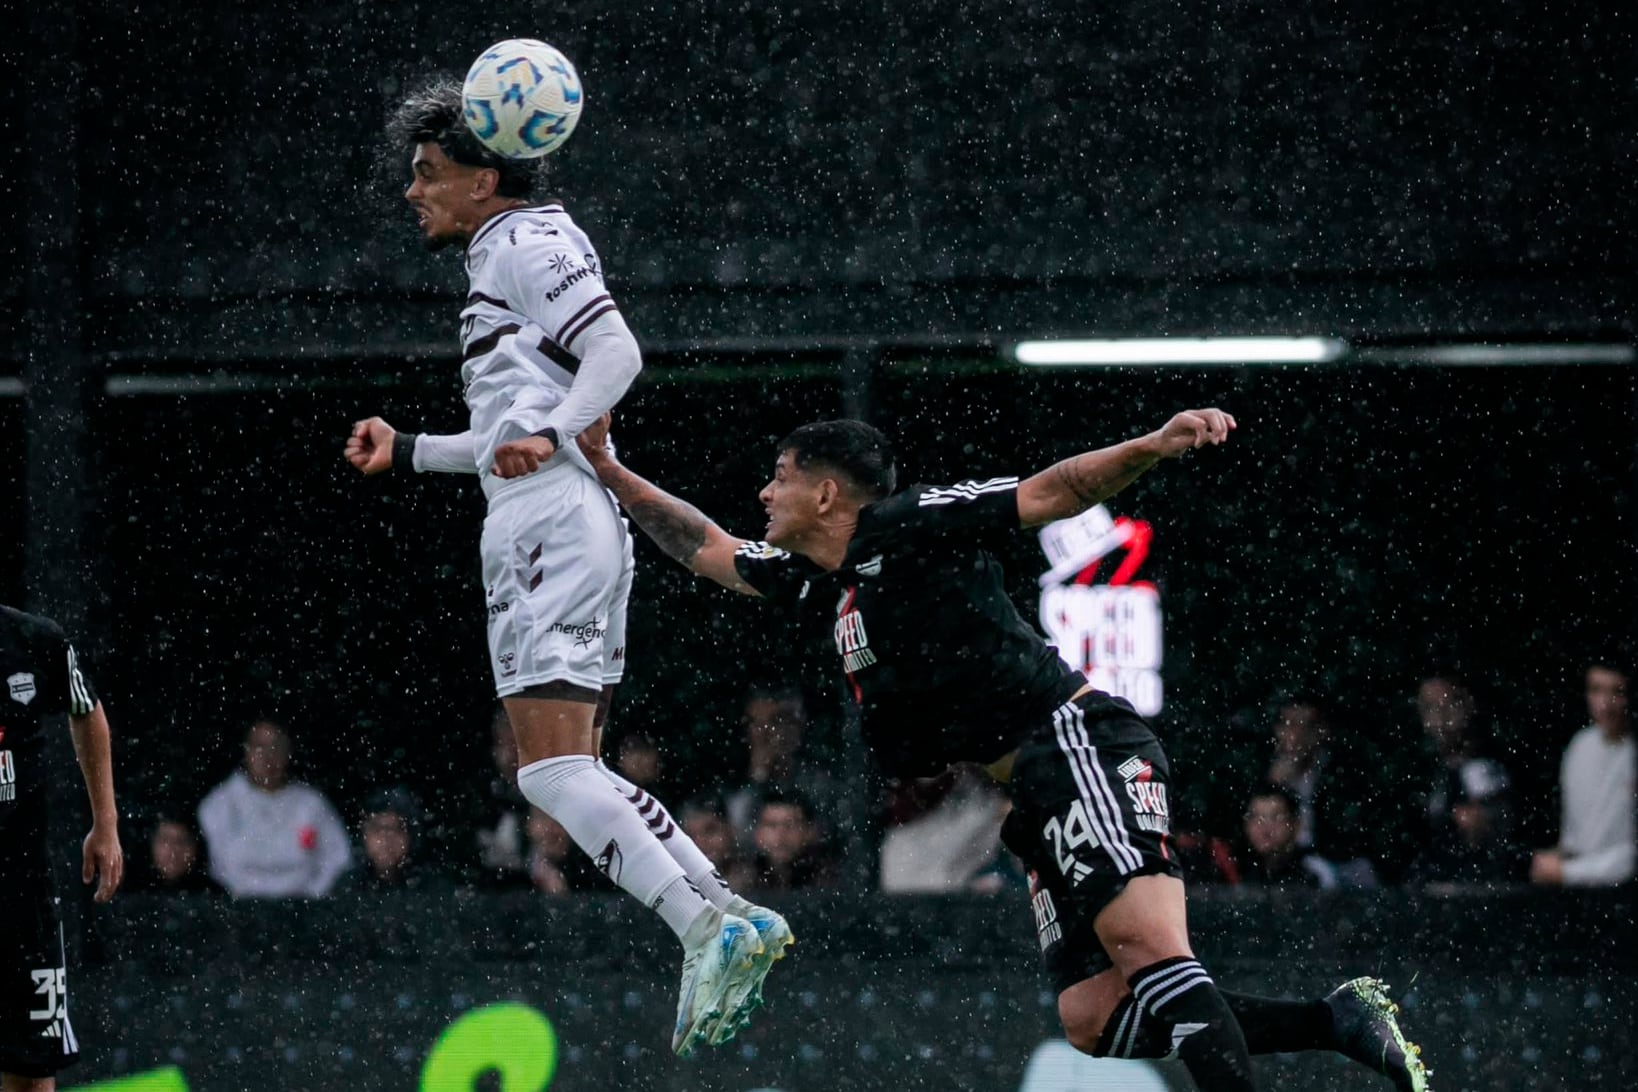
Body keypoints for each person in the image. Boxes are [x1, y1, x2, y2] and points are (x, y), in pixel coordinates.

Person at [578, 409, 1428, 1092]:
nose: (764, 493)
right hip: (1027, 791)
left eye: (780, 477)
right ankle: (1334, 1023)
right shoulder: (823, 579)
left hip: (1077, 743)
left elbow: (1051, 492)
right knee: (1094, 1019)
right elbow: (707, 548)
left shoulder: (908, 526)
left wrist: (1157, 444)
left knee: (1153, 951)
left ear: (828, 491)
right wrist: (611, 474)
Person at [340, 79, 788, 1056]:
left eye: (428, 175)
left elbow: (615, 354)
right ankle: (728, 913)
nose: (413, 192)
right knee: (569, 769)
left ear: (482, 176)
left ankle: (703, 923)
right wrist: (413, 447)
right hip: (560, 517)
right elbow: (512, 430)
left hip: (550, 524)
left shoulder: (521, 243)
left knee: (547, 773)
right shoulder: (521, 247)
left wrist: (546, 431)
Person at [1, 604, 123, 1092]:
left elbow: (86, 710)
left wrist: (106, 824)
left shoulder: (34, 639)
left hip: (21, 891)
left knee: (32, 1071)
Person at [197, 719, 352, 898]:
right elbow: (213, 866)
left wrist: (312, 897)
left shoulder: (311, 804)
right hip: (238, 909)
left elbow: (337, 858)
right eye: (259, 746)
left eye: (276, 746)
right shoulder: (219, 804)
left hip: (302, 909)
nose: (267, 756)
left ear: (288, 752)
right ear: (246, 750)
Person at [1531, 660, 1635, 887]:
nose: (1606, 704)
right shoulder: (1580, 745)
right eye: (1596, 690)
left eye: (1617, 692)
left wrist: (1568, 872)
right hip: (1579, 892)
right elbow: (1573, 838)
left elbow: (1631, 856)